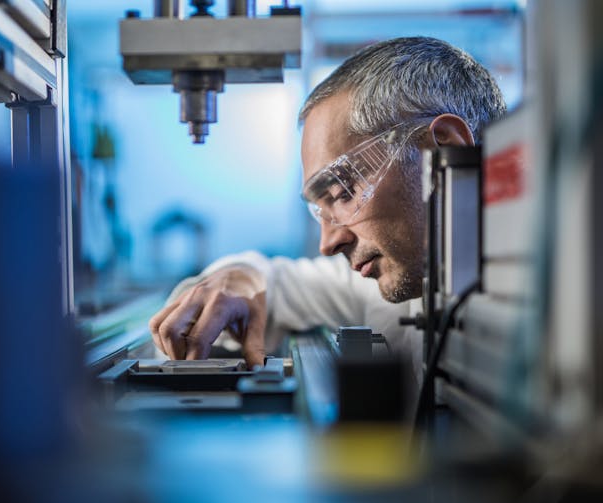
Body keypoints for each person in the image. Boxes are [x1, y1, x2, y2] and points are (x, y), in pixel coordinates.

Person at [149, 37, 506, 390]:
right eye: (321, 208)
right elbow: (279, 285)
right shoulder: (395, 282)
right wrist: (241, 277)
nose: (328, 243)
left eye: (342, 192)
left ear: (445, 148)